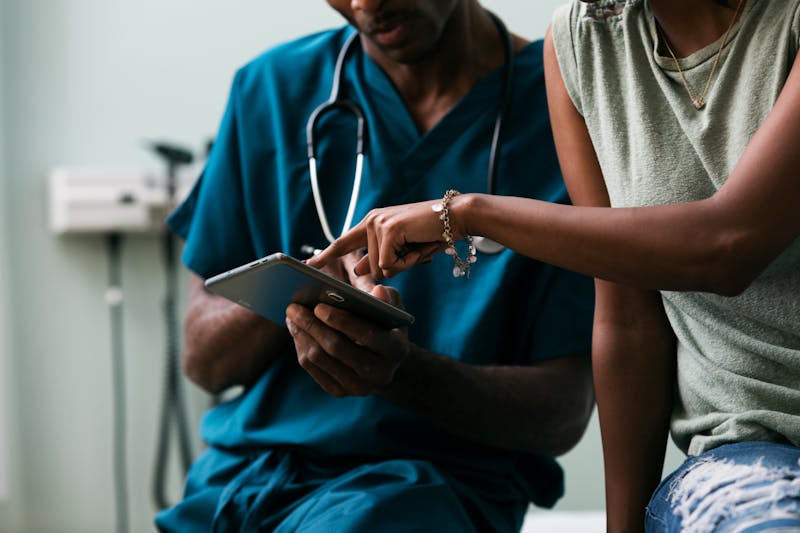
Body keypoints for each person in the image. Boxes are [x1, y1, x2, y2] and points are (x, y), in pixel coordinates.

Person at [309, 0, 800, 531]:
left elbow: (728, 246)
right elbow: (627, 320)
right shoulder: (583, 39)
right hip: (750, 452)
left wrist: (471, 214)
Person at [155, 1, 597, 531]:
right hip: (241, 485)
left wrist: (402, 372)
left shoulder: (564, 108)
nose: (365, 3)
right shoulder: (272, 89)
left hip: (426, 492)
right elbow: (204, 362)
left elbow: (561, 414)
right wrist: (300, 289)